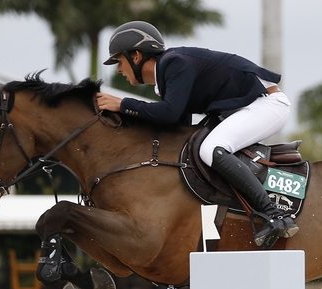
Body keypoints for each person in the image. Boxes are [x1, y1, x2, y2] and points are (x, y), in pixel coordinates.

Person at [96, 21, 298, 250]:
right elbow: (177, 127)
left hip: (267, 105)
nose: (118, 70)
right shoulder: (167, 76)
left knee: (211, 149)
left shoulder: (174, 63)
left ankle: (274, 215)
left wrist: (122, 104)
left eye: (119, 61)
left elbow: (170, 114)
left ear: (135, 56)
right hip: (244, 108)